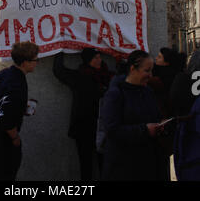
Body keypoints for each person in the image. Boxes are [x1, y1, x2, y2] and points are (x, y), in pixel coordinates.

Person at [101, 50, 170, 181]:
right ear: (133, 69)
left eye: (151, 71)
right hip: (124, 168)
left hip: (149, 166)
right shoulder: (115, 94)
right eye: (146, 71)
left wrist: (162, 124)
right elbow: (112, 130)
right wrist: (144, 130)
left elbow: (155, 116)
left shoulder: (148, 92)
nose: (150, 75)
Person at [0, 41, 39, 181]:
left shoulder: (6, 73)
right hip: (3, 144)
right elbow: (5, 115)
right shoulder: (17, 83)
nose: (37, 63)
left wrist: (20, 108)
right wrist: (15, 137)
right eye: (36, 60)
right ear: (25, 62)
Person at [53, 48, 112, 180]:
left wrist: (122, 61)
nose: (99, 60)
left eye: (99, 57)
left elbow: (124, 78)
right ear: (87, 60)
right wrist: (59, 49)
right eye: (95, 58)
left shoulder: (107, 76)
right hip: (83, 127)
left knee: (104, 164)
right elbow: (59, 71)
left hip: (102, 127)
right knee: (85, 165)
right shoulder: (79, 76)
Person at [148, 47, 181, 118]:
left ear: (167, 62)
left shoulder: (161, 78)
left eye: (159, 57)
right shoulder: (175, 74)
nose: (156, 58)